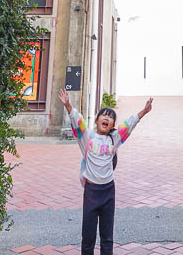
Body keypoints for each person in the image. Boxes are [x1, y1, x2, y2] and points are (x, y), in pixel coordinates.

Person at [58, 88, 153, 255]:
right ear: (96, 120)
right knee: (88, 237)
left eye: (111, 117)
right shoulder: (87, 137)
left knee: (107, 237)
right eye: (104, 115)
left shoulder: (114, 139)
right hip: (92, 191)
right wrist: (67, 104)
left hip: (108, 191)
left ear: (112, 125)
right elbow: (77, 118)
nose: (107, 118)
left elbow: (130, 123)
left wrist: (144, 111)